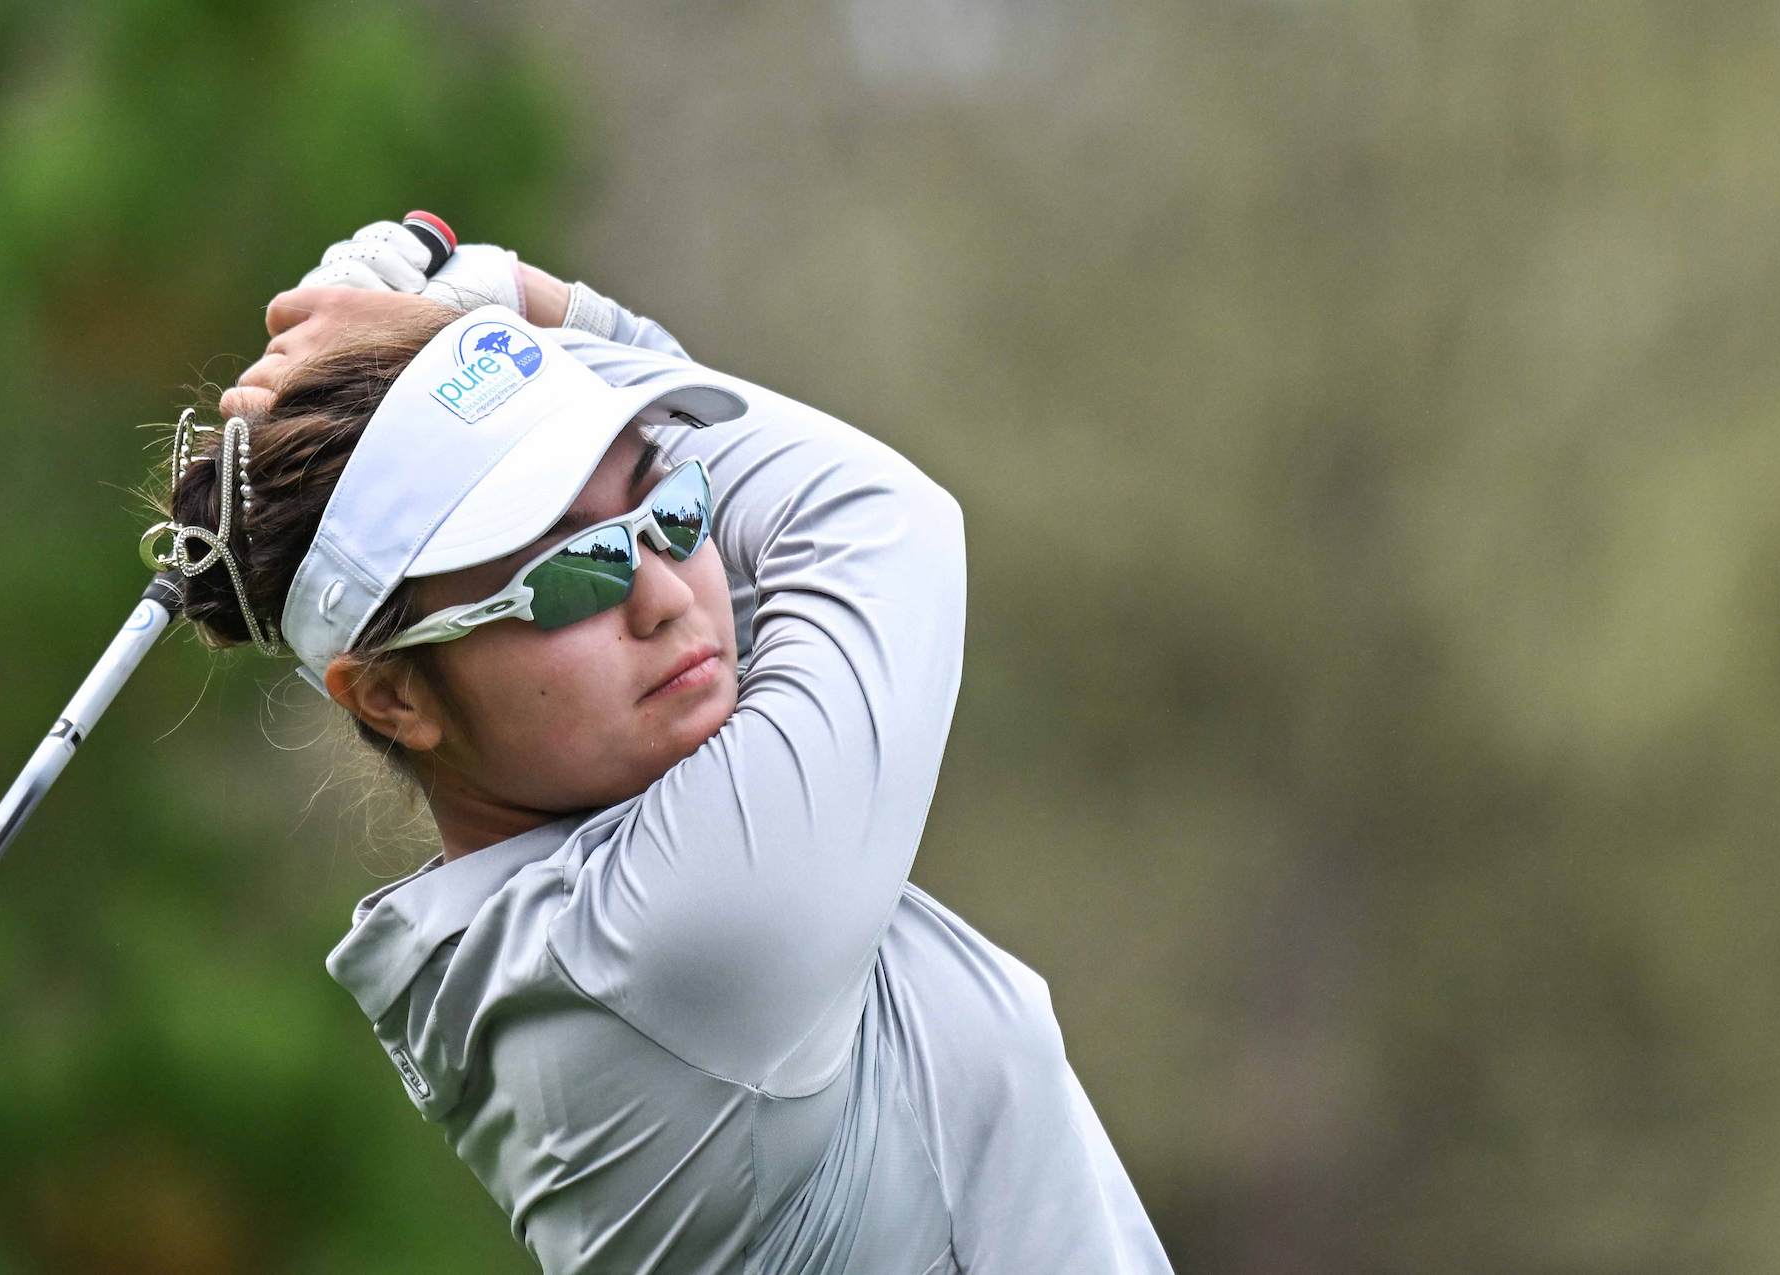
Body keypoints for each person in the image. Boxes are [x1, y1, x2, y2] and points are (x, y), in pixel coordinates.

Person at [155, 221, 1172, 1274]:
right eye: (572, 573)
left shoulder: (608, 808)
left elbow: (729, 506)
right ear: (395, 695)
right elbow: (873, 520)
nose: (665, 594)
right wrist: (491, 328)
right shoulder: (659, 944)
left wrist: (498, 344)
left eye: (673, 512)